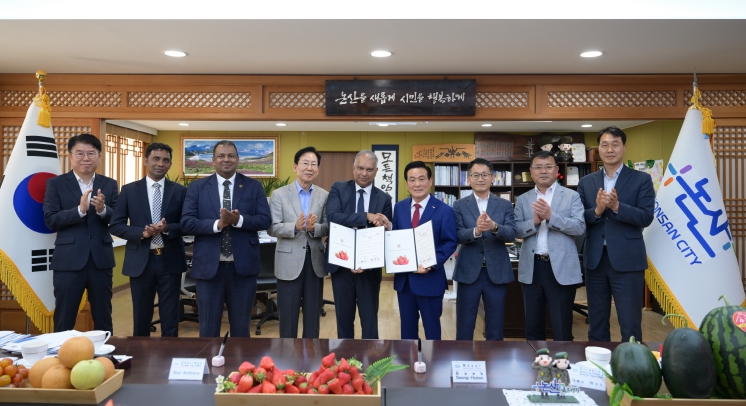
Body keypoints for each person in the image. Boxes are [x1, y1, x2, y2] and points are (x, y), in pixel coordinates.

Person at [181, 140, 271, 337]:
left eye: (231, 156)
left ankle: (240, 359)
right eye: (221, 156)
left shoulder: (254, 186)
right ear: (213, 160)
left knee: (241, 328)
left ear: (238, 159)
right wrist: (218, 224)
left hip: (243, 269)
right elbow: (187, 223)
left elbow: (265, 220)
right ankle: (211, 359)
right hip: (209, 270)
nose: (226, 159)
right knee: (208, 329)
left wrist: (239, 220)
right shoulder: (197, 187)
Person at [577, 126, 655, 342]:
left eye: (615, 144)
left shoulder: (641, 179)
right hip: (595, 260)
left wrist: (618, 207)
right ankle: (597, 361)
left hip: (628, 260)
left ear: (624, 147)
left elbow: (646, 216)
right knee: (597, 320)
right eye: (604, 145)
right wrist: (597, 210)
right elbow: (579, 219)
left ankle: (631, 362)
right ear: (599, 149)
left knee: (630, 321)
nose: (609, 149)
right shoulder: (586, 182)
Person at [109, 143, 187, 337]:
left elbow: (188, 223)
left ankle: (170, 352)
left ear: (170, 164)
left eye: (165, 160)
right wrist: (141, 233)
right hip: (140, 261)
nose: (160, 163)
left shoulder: (180, 191)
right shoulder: (129, 190)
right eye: (156, 159)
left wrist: (168, 228)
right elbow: (115, 225)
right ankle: (141, 354)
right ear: (145, 161)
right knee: (141, 316)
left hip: (170, 260)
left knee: (170, 316)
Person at [43, 133, 118, 333]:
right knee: (64, 318)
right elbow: (50, 220)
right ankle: (61, 352)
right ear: (70, 156)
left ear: (99, 157)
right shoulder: (56, 184)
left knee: (103, 317)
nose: (86, 158)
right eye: (80, 153)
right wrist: (79, 210)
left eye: (91, 153)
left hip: (101, 261)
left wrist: (102, 209)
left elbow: (118, 219)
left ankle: (106, 352)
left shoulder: (110, 184)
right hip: (68, 262)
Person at [515, 151, 585, 341]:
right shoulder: (523, 199)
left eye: (548, 167)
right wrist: (534, 222)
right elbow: (516, 230)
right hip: (532, 267)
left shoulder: (572, 196)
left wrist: (551, 217)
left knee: (561, 326)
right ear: (531, 171)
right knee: (533, 325)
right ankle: (535, 358)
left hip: (561, 268)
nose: (543, 171)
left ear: (556, 170)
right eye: (538, 167)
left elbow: (579, 227)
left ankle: (563, 359)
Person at [325, 150, 393, 339]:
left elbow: (384, 234)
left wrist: (385, 226)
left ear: (376, 171)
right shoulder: (338, 189)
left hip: (369, 269)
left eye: (369, 169)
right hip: (341, 265)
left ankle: (370, 357)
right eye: (360, 168)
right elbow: (333, 217)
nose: (364, 173)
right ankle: (345, 358)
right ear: (353, 168)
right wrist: (366, 216)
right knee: (344, 320)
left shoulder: (384, 199)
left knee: (370, 322)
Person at [267, 147, 329, 338]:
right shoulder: (279, 194)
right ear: (295, 167)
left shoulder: (324, 195)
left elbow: (328, 227)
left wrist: (313, 228)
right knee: (288, 318)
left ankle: (311, 353)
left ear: (318, 169)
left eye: (313, 164)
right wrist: (294, 226)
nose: (309, 168)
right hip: (288, 262)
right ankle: (287, 355)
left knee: (312, 317)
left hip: (315, 262)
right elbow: (272, 227)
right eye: (305, 163)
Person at [392, 161, 457, 340]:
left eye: (421, 179)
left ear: (430, 181)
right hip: (405, 281)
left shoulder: (444, 210)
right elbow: (395, 238)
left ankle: (433, 359)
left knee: (432, 332)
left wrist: (430, 263)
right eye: (412, 179)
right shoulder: (399, 207)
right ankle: (409, 358)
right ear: (407, 183)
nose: (417, 184)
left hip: (430, 280)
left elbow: (449, 242)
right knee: (407, 333)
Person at [452, 158, 516, 340]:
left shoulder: (504, 204)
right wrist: (476, 231)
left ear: (492, 178)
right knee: (465, 325)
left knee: (495, 325)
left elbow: (512, 234)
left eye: (485, 175)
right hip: (469, 271)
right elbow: (457, 234)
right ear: (468, 179)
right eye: (476, 175)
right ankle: (463, 356)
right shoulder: (459, 205)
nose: (480, 179)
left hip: (496, 272)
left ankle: (494, 357)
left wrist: (495, 227)